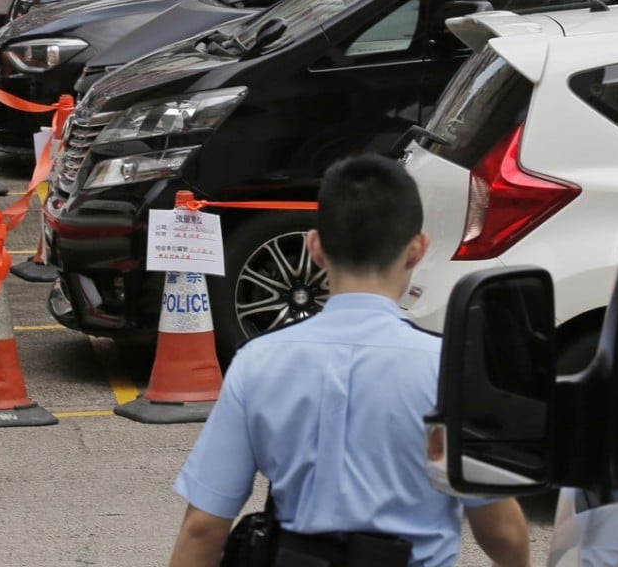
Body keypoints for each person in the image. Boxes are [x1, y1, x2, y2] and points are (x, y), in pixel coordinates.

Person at [168, 154, 531, 567]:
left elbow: (202, 527)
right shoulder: (447, 368)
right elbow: (501, 530)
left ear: (316, 247)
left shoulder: (258, 362)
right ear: (417, 249)